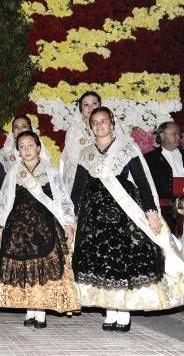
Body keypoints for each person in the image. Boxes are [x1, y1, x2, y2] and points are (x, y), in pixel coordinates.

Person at [71, 107, 184, 332]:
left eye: (104, 121)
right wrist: (72, 216)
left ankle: (123, 313)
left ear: (112, 124)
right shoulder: (86, 153)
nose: (100, 125)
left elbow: (143, 182)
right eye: (95, 122)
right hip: (94, 215)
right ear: (90, 126)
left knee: (122, 261)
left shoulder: (127, 148)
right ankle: (109, 311)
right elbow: (78, 188)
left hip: (123, 212)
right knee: (102, 262)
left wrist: (151, 213)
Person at [0, 131, 80, 328]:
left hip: (45, 225)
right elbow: (5, 201)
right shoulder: (14, 172)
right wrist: (0, 225)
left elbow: (62, 197)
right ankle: (29, 309)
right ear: (18, 151)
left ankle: (40, 310)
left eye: (30, 145)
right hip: (19, 227)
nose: (26, 150)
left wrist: (67, 222)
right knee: (26, 269)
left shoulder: (51, 171)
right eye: (22, 147)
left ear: (39, 148)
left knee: (42, 268)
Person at [144, 122, 184, 234]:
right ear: (162, 135)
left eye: (179, 135)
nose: (178, 137)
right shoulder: (149, 159)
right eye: (174, 134)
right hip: (163, 212)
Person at [61, 91, 101, 194]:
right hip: (80, 176)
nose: (90, 107)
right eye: (86, 105)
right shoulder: (74, 130)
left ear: (100, 106)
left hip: (105, 172)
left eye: (94, 103)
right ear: (81, 109)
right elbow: (73, 157)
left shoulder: (109, 127)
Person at [0, 115, 33, 199]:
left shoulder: (39, 151)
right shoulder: (6, 154)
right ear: (13, 132)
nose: (20, 130)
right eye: (16, 127)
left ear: (30, 130)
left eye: (24, 126)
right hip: (13, 199)